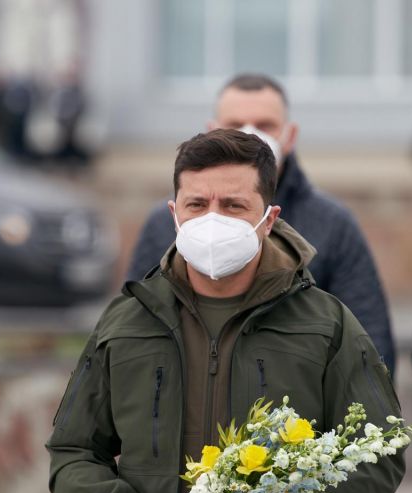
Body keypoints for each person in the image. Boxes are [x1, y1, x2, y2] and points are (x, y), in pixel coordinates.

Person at [47, 128, 405, 493]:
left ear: (269, 216)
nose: (213, 218)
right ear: (173, 212)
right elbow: (72, 452)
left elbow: (378, 455)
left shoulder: (326, 324)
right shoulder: (126, 321)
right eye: (197, 204)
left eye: (233, 205)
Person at [126, 73, 395, 374]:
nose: (251, 135)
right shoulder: (164, 224)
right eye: (235, 125)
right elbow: (133, 330)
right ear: (212, 131)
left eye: (265, 125)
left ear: (289, 136)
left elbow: (369, 339)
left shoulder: (332, 223)